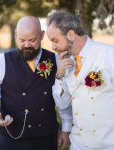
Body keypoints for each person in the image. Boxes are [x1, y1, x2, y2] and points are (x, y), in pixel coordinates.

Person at [0, 16, 72, 150]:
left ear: (41, 36)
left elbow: (65, 99)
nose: (27, 45)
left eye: (32, 40)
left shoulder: (57, 60)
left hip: (45, 139)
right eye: (22, 40)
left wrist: (66, 128)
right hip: (11, 139)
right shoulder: (3, 61)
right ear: (16, 35)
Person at [46, 10, 114, 150]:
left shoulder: (108, 54)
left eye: (55, 40)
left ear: (71, 34)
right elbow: (63, 105)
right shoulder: (65, 63)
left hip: (108, 144)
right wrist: (59, 76)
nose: (53, 47)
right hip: (79, 144)